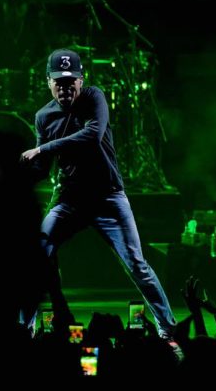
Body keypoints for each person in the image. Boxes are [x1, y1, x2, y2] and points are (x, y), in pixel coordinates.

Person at [20, 48, 177, 340]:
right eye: (59, 82)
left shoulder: (95, 97)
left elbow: (92, 136)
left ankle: (169, 330)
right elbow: (42, 167)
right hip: (69, 199)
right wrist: (21, 172)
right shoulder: (44, 116)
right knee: (36, 257)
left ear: (81, 81)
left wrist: (42, 149)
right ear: (47, 82)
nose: (65, 88)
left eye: (71, 82)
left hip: (108, 197)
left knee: (137, 265)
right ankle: (23, 331)